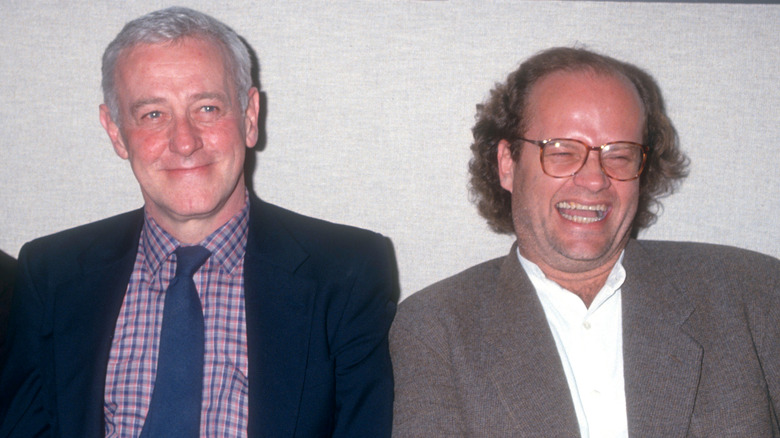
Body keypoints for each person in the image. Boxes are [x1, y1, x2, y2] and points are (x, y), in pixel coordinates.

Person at [0, 7, 396, 437]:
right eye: (153, 114)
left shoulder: (347, 273)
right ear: (115, 132)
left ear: (248, 117)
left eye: (207, 108)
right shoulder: (50, 275)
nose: (184, 141)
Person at [390, 47, 779, 437]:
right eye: (562, 151)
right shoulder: (437, 330)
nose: (595, 179)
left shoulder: (753, 294)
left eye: (620, 155)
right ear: (508, 164)